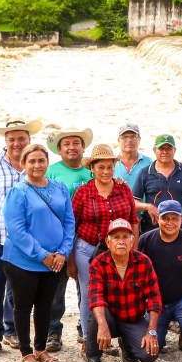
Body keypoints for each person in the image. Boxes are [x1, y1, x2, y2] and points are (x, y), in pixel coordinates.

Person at [2, 144, 75, 362]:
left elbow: (69, 222)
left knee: (46, 306)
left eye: (41, 160)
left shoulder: (59, 188)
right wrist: (43, 255)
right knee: (23, 307)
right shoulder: (18, 192)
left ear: (47, 162)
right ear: (24, 164)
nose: (36, 165)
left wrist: (63, 252)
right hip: (23, 261)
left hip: (55, 261)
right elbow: (17, 230)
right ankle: (25, 353)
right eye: (31, 161)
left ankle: (40, 349)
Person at [0, 118, 42, 356]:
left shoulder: (35, 165)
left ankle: (11, 330)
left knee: (18, 291)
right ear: (5, 141)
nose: (17, 143)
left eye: (21, 139)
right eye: (12, 139)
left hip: (25, 240)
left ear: (29, 140)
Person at [69, 143, 138, 345]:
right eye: (101, 167)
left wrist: (134, 249)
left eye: (109, 167)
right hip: (87, 249)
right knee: (89, 294)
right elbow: (72, 227)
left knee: (119, 292)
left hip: (120, 250)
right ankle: (89, 340)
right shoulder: (83, 193)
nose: (106, 171)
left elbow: (133, 220)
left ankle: (117, 338)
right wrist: (70, 260)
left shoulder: (124, 189)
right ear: (92, 168)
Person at [84, 219, 163, 362]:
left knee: (149, 355)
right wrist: (103, 325)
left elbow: (154, 299)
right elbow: (95, 296)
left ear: (132, 240)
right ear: (108, 241)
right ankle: (93, 358)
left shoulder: (144, 261)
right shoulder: (98, 263)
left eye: (125, 237)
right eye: (116, 237)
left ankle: (127, 345)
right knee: (97, 314)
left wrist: (152, 331)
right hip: (109, 319)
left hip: (133, 319)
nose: (121, 241)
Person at [44, 127, 94, 352]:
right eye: (67, 144)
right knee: (56, 288)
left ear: (83, 147)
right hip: (59, 237)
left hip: (87, 237)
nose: (72, 147)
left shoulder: (91, 171)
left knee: (87, 285)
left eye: (76, 143)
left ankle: (86, 329)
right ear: (59, 149)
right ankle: (53, 332)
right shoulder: (51, 172)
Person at [137, 200, 182, 352]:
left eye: (174, 218)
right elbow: (138, 274)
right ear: (157, 218)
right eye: (165, 218)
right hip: (155, 301)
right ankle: (162, 327)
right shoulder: (145, 240)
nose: (170, 223)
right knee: (153, 347)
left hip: (181, 297)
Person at [133, 134, 182, 234]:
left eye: (169, 148)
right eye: (161, 148)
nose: (165, 151)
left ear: (174, 150)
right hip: (152, 231)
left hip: (179, 230)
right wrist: (148, 206)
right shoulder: (145, 173)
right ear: (155, 150)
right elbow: (133, 201)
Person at [113, 122, 152, 189]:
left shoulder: (149, 162)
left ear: (139, 140)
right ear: (118, 140)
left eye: (133, 137)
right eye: (125, 137)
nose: (129, 140)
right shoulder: (111, 162)